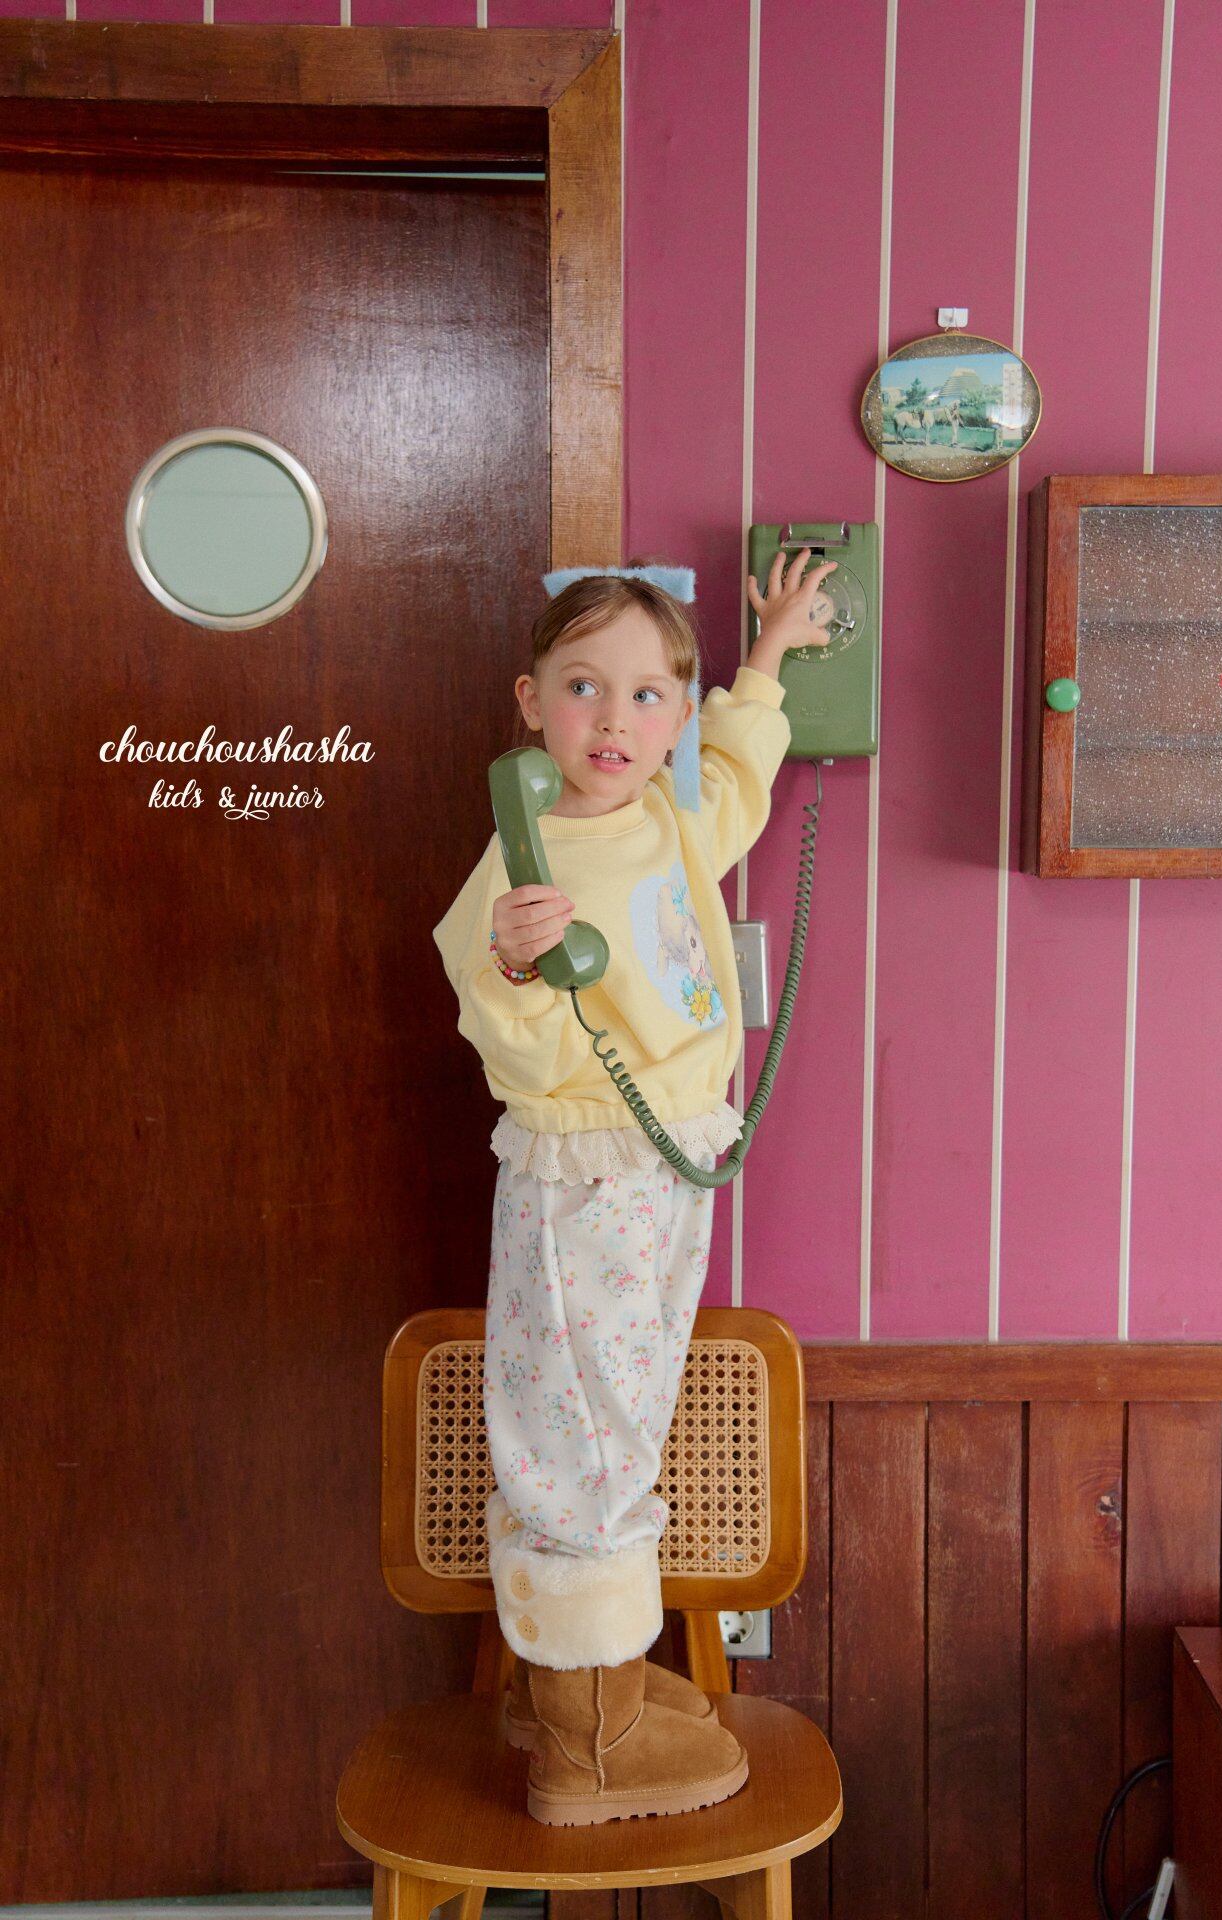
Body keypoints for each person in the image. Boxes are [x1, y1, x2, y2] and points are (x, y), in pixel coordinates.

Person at [431, 546, 835, 1826]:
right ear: (530, 704)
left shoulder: (669, 815)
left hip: (667, 1163)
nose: (615, 719)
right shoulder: (522, 862)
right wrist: (514, 965)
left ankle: (576, 1678)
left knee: (629, 1404)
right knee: (582, 1428)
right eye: (582, 688)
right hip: (583, 1171)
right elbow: (499, 1033)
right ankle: (585, 1744)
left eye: (648, 693)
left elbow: (735, 780)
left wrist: (766, 657)